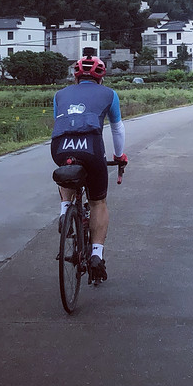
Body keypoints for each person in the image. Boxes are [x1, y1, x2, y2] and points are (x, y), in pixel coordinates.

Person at [51, 54, 127, 282]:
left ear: (76, 76)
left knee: (68, 168)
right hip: (91, 148)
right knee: (97, 202)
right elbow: (117, 129)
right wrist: (118, 156)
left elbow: (59, 124)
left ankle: (65, 211)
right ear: (101, 78)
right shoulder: (109, 94)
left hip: (60, 147)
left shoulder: (60, 94)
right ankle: (96, 255)